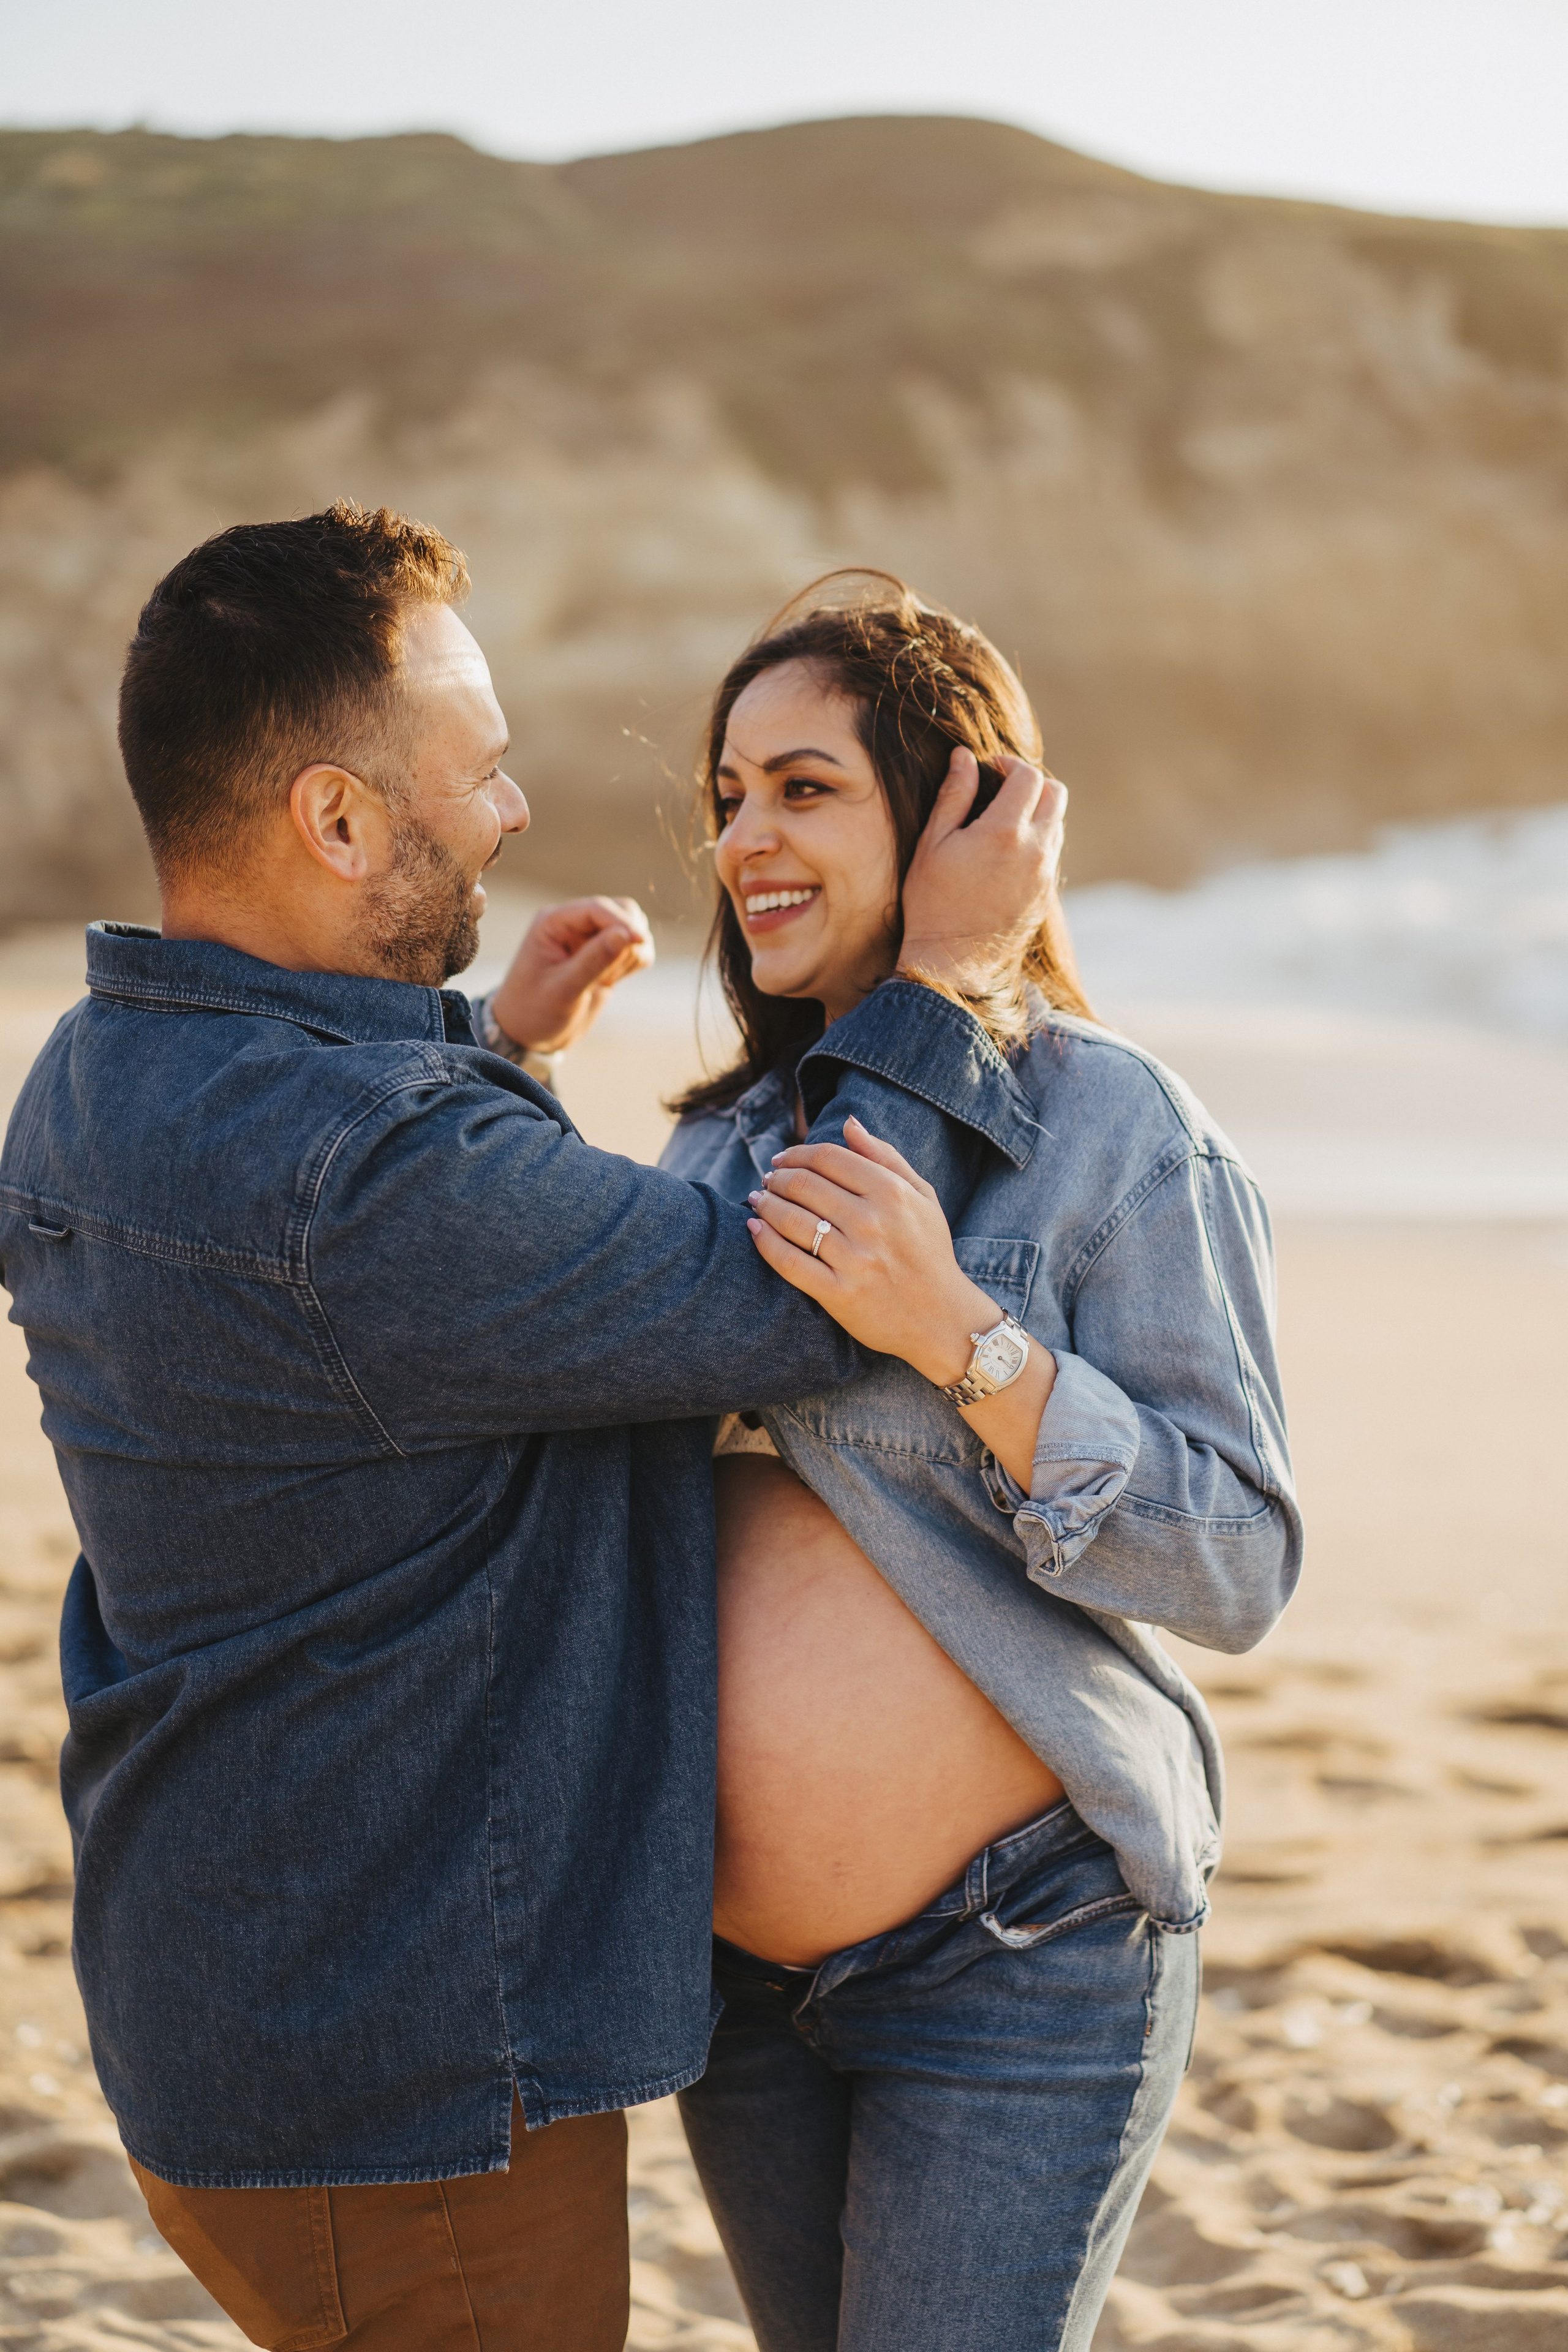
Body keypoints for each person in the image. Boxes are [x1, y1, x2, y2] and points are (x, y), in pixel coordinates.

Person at [0, 508, 1068, 2349]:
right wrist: (954, 977)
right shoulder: (369, 1174)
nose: (509, 815)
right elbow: (788, 1294)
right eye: (480, 772)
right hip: (401, 2077)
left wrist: (486, 1057)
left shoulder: (99, 1075)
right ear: (337, 821)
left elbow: (337, 1308)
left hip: (241, 2000)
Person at [660, 573, 1305, 2352]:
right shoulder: (714, 1151)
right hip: (731, 1987)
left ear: (963, 810)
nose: (746, 838)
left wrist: (969, 1340)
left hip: (1023, 1958)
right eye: (728, 796)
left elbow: (1238, 1565)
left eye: (805, 787)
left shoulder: (1115, 1128)